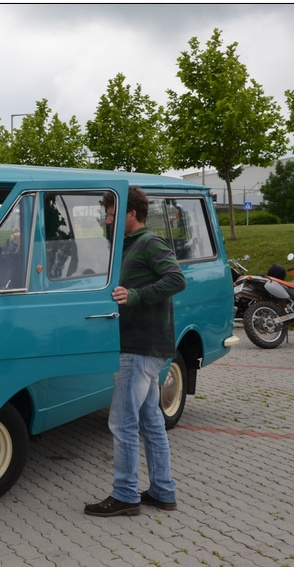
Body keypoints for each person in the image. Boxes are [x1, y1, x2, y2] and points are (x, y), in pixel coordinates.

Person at [85, 186, 186, 517]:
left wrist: (136, 296)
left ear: (132, 213)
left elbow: (176, 279)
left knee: (123, 422)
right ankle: (162, 490)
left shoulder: (150, 243)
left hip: (141, 346)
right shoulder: (127, 246)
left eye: (112, 214)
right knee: (150, 420)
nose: (107, 219)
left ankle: (126, 494)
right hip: (142, 345)